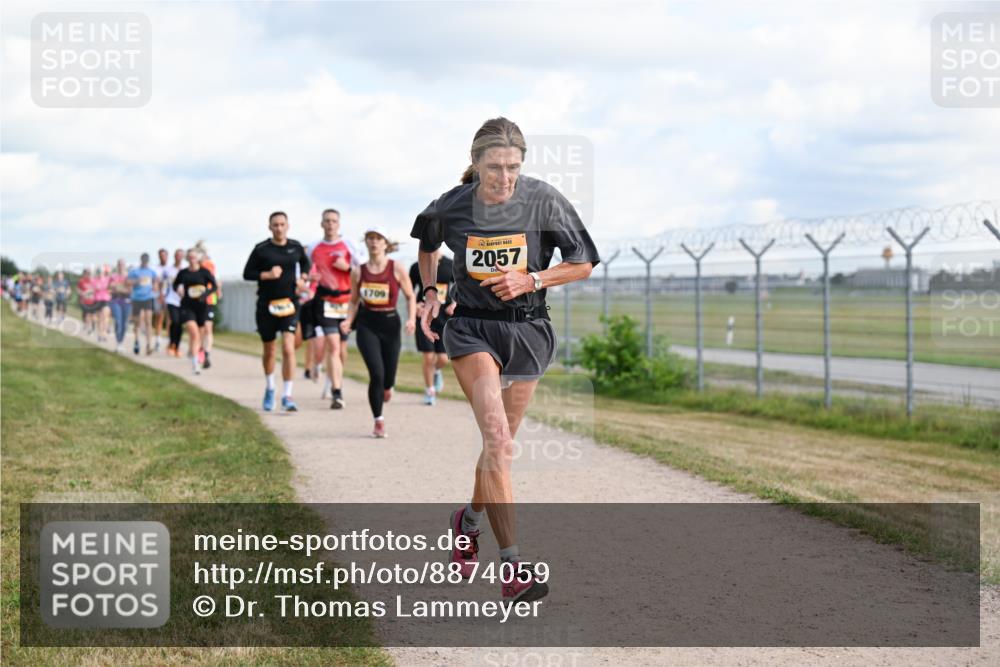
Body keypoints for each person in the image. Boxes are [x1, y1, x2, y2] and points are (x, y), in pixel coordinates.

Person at [411, 117, 599, 603]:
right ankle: (513, 568)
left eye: (513, 167)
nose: (504, 177)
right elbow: (427, 241)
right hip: (472, 328)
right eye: (494, 167)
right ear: (475, 164)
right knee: (496, 438)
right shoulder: (452, 205)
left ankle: (467, 520)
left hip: (528, 330)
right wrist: (430, 290)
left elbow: (583, 263)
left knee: (500, 449)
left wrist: (532, 280)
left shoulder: (543, 200)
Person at [340, 227, 416, 438]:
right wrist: (348, 320)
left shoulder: (396, 268)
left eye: (378, 238)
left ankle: (388, 387)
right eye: (370, 238)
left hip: (390, 323)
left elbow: (410, 296)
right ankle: (378, 421)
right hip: (367, 323)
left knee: (388, 376)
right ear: (366, 243)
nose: (373, 242)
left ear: (385, 243)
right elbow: (354, 301)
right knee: (376, 374)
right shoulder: (358, 271)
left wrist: (411, 319)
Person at [242, 211, 310, 412]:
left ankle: (287, 394)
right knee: (270, 349)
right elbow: (247, 273)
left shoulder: (295, 247)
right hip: (266, 305)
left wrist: (303, 278)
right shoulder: (261, 249)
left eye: (282, 224)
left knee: (288, 347)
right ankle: (271, 387)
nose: (279, 228)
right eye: (275, 225)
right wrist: (267, 274)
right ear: (269, 227)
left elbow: (305, 263)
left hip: (289, 304)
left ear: (288, 226)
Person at [308, 208, 362, 408]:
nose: (330, 224)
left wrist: (346, 268)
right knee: (333, 344)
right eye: (327, 221)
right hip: (325, 301)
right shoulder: (313, 247)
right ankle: (337, 393)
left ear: (338, 224)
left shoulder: (349, 245)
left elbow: (362, 271)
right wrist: (309, 279)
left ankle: (334, 378)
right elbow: (305, 271)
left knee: (342, 350)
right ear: (321, 224)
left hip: (347, 302)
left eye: (333, 221)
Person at [409, 251, 456, 405]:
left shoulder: (451, 264)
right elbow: (409, 291)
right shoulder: (417, 266)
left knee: (443, 358)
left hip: (444, 317)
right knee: (428, 356)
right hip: (424, 315)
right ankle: (430, 390)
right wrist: (415, 305)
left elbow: (462, 285)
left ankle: (436, 371)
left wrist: (455, 303)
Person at [172, 248, 216, 375]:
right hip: (187, 306)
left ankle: (197, 353)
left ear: (198, 258)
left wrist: (205, 293)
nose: (192, 259)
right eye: (190, 257)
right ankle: (195, 364)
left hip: (202, 306)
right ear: (187, 258)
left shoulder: (204, 272)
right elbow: (175, 284)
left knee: (201, 334)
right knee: (194, 333)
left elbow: (214, 286)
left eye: (194, 257)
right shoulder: (183, 273)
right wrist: (178, 290)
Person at [129, 252, 160, 355]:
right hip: (136, 298)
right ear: (141, 260)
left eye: (147, 260)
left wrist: (155, 286)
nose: (145, 261)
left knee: (148, 321)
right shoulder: (135, 271)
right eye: (144, 259)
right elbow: (128, 282)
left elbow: (156, 282)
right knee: (137, 322)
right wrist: (137, 281)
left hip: (148, 298)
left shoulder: (151, 272)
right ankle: (136, 342)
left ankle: (148, 345)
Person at [195, 241, 219, 369]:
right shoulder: (194, 266)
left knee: (208, 327)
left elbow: (214, 281)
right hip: (197, 301)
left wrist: (218, 291)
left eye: (203, 251)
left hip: (209, 300)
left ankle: (207, 354)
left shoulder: (210, 265)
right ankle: (199, 350)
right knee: (200, 329)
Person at [108, 259, 132, 353]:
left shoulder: (129, 276)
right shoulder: (113, 276)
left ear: (125, 265)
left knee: (125, 323)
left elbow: (130, 290)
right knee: (118, 321)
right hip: (115, 301)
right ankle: (118, 343)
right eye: (119, 264)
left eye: (122, 264)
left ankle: (121, 342)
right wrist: (122, 288)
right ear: (117, 265)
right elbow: (110, 288)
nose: (121, 266)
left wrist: (118, 287)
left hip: (127, 302)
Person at [164, 248, 185, 356]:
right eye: (177, 255)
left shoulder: (186, 269)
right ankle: (172, 343)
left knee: (180, 324)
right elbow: (163, 283)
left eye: (181, 255)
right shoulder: (168, 269)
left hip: (183, 301)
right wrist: (162, 295)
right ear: (174, 256)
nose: (179, 257)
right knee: (175, 321)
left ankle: (177, 346)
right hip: (171, 299)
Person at [152, 248, 171, 351]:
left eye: (164, 255)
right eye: (161, 255)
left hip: (169, 297)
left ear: (167, 256)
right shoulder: (155, 268)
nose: (163, 257)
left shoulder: (170, 268)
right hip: (158, 296)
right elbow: (154, 282)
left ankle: (169, 340)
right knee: (159, 318)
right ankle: (158, 340)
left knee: (170, 319)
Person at [92, 265, 112, 342]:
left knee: (105, 317)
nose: (100, 273)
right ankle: (100, 334)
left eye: (102, 272)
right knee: (100, 318)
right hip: (97, 300)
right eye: (99, 272)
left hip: (106, 300)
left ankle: (104, 334)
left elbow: (111, 287)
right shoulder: (95, 280)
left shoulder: (108, 279)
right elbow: (93, 289)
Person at [76, 269, 97, 334]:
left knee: (92, 315)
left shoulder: (93, 281)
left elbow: (96, 289)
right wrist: (82, 293)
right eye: (86, 274)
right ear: (84, 274)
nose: (87, 275)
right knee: (86, 314)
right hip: (84, 301)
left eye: (89, 274)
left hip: (92, 301)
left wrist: (92, 292)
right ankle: (87, 325)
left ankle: (92, 327)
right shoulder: (81, 281)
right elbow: (77, 289)